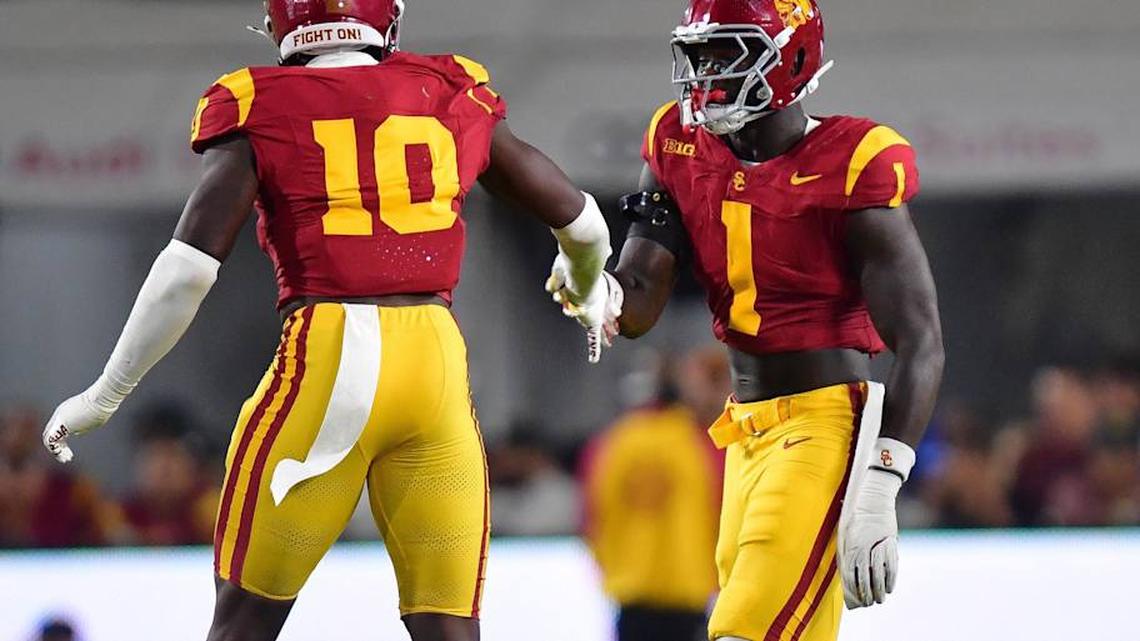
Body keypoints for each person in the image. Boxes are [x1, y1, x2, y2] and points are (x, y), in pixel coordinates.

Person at [39, 2, 613, 640]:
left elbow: (188, 269)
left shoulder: (258, 99)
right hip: (436, 366)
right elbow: (582, 220)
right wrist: (588, 287)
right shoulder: (448, 88)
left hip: (332, 361)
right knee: (450, 629)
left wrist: (106, 393)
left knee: (243, 622)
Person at [547, 1, 944, 639]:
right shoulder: (677, 143)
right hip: (742, 431)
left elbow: (922, 342)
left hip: (825, 424)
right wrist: (598, 289)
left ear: (789, 57)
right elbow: (642, 294)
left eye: (722, 53)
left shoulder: (855, 159)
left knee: (742, 630)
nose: (704, 74)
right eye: (698, 54)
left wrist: (882, 479)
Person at [579, 346, 727, 641]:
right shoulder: (699, 443)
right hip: (688, 592)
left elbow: (590, 517)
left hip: (631, 594)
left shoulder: (611, 443)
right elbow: (723, 508)